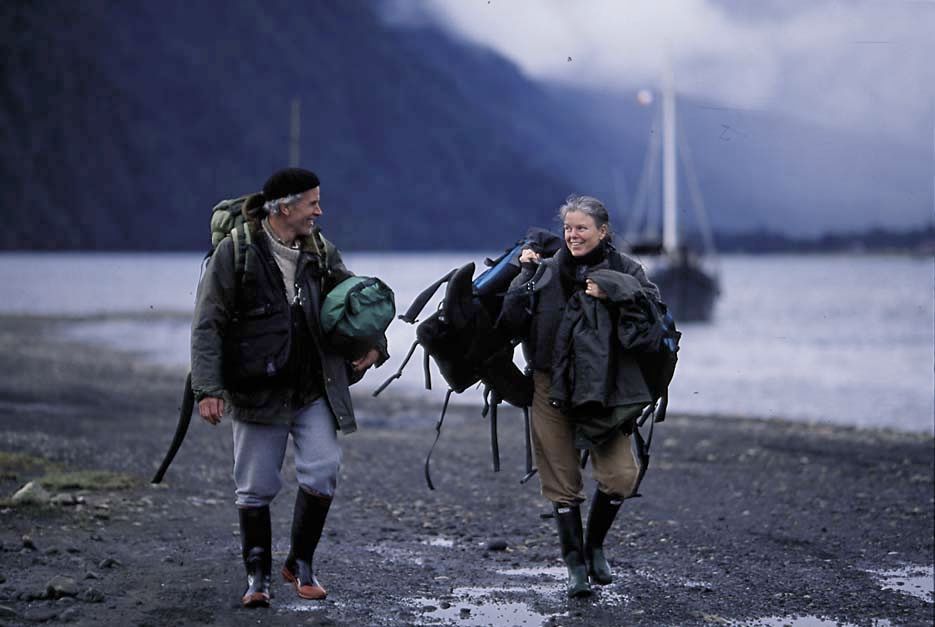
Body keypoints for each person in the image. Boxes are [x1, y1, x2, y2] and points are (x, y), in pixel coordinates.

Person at [190, 168, 386, 608]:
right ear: (284, 207)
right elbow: (208, 324)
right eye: (312, 203)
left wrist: (376, 344)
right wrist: (208, 388)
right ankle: (257, 576)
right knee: (255, 486)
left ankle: (300, 564)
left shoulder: (320, 249)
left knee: (322, 472)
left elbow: (357, 301)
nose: (319, 210)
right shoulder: (235, 252)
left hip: (315, 387)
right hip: (258, 392)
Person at [499, 194, 661, 598]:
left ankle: (595, 547)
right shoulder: (545, 270)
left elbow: (654, 320)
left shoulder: (628, 269)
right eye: (568, 228)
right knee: (561, 480)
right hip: (549, 385)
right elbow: (510, 322)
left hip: (607, 389)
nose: (572, 235)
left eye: (581, 228)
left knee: (621, 476)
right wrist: (522, 277)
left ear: (602, 232)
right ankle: (574, 566)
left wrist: (616, 291)